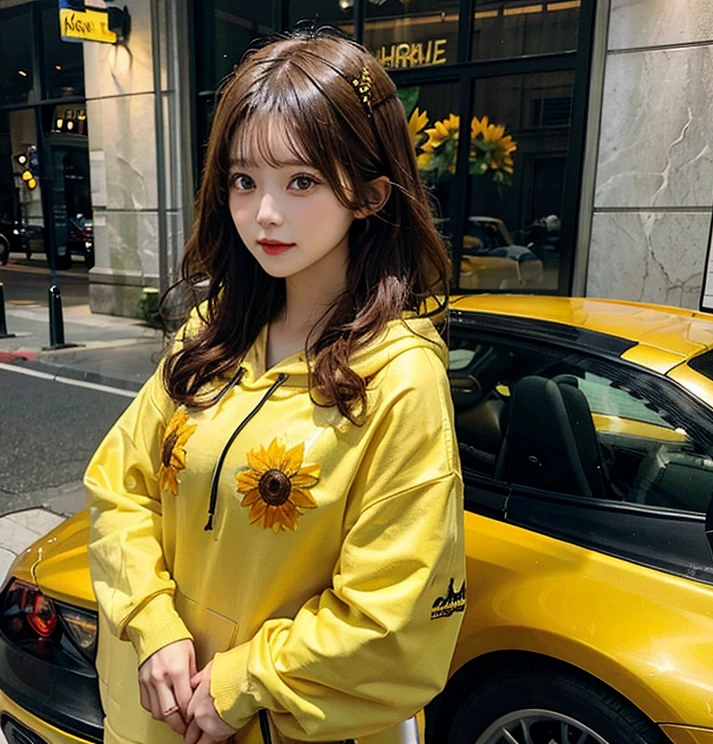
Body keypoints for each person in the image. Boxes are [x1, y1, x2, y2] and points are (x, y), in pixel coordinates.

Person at [85, 27, 465, 744]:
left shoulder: (399, 378)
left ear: (371, 194)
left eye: (302, 181)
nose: (264, 214)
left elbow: (393, 616)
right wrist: (154, 623)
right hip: (153, 720)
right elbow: (118, 486)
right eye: (243, 179)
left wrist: (238, 685)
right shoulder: (211, 333)